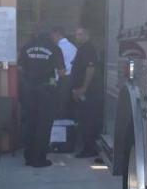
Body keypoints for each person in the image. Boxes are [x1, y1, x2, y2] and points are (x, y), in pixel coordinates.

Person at [19, 26, 66, 168]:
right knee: (43, 126)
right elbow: (62, 71)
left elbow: (20, 68)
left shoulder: (26, 48)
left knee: (30, 124)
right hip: (46, 91)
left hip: (28, 91)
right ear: (49, 36)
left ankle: (28, 157)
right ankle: (39, 159)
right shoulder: (54, 49)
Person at [71, 26, 102, 158]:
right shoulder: (82, 49)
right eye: (76, 34)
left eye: (79, 34)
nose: (76, 37)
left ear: (86, 35)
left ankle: (89, 149)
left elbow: (90, 69)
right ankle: (87, 147)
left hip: (89, 92)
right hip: (81, 90)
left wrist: (83, 88)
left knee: (88, 120)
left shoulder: (88, 49)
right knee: (83, 120)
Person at [51, 26, 77, 119]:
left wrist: (52, 83)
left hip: (62, 80)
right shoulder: (73, 47)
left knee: (60, 106)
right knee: (67, 106)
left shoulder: (58, 48)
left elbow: (56, 69)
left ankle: (60, 129)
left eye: (52, 35)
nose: (52, 38)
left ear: (57, 34)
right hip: (72, 79)